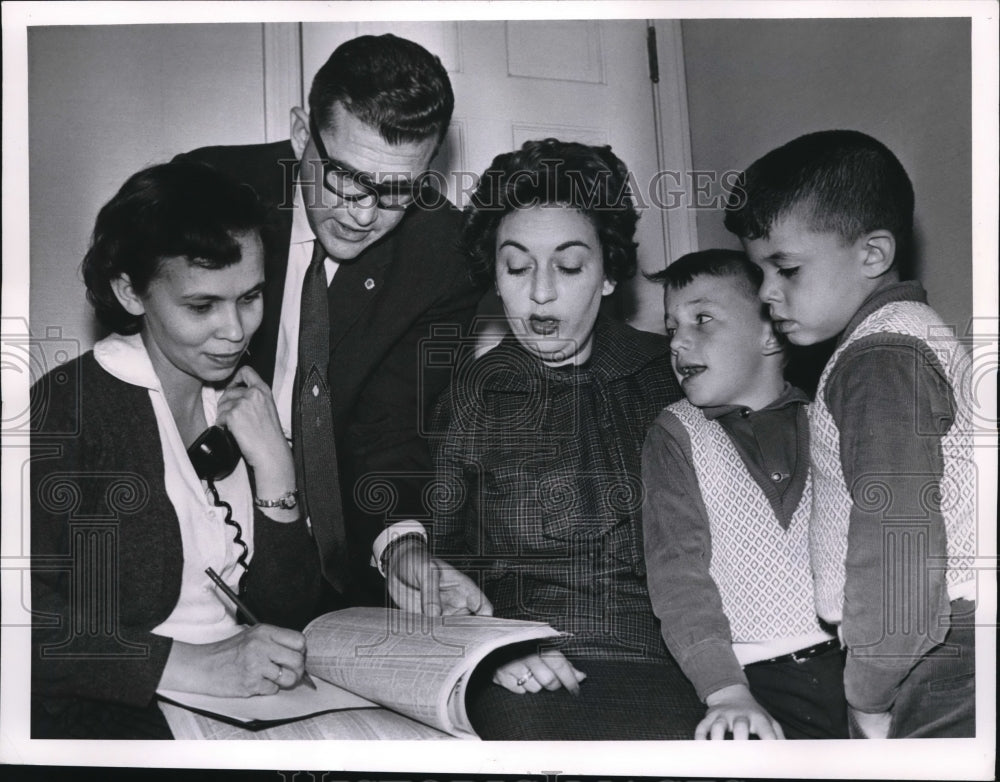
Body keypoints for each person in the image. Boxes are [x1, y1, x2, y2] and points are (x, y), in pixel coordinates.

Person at [371, 138, 705, 740]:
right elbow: (442, 577)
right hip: (526, 671)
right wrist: (492, 648)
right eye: (518, 267)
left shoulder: (674, 378)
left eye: (570, 266)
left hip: (687, 670)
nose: (542, 292)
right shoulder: (474, 394)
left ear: (607, 275)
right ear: (495, 279)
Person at [179, 34, 486, 607]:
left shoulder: (445, 256)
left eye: (397, 191)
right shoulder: (205, 191)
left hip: (347, 563)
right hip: (204, 535)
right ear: (302, 134)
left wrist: (402, 549)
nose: (363, 214)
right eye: (345, 176)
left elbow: (392, 427)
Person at [30, 160, 322, 739]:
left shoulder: (247, 399)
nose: (236, 332)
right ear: (130, 292)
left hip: (250, 709)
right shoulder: (67, 411)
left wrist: (275, 470)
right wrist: (187, 665)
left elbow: (288, 614)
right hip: (117, 714)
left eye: (251, 297)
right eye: (201, 306)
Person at [725, 129, 977, 739]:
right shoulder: (908, 334)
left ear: (873, 254)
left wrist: (867, 693)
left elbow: (898, 552)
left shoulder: (878, 360)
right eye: (758, 272)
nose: (766, 293)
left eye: (785, 268)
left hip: (944, 655)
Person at [642, 249, 848, 740]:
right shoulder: (676, 435)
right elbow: (679, 580)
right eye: (672, 327)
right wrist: (726, 691)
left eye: (702, 319)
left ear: (769, 331)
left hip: (853, 666)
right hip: (750, 683)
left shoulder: (828, 418)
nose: (677, 342)